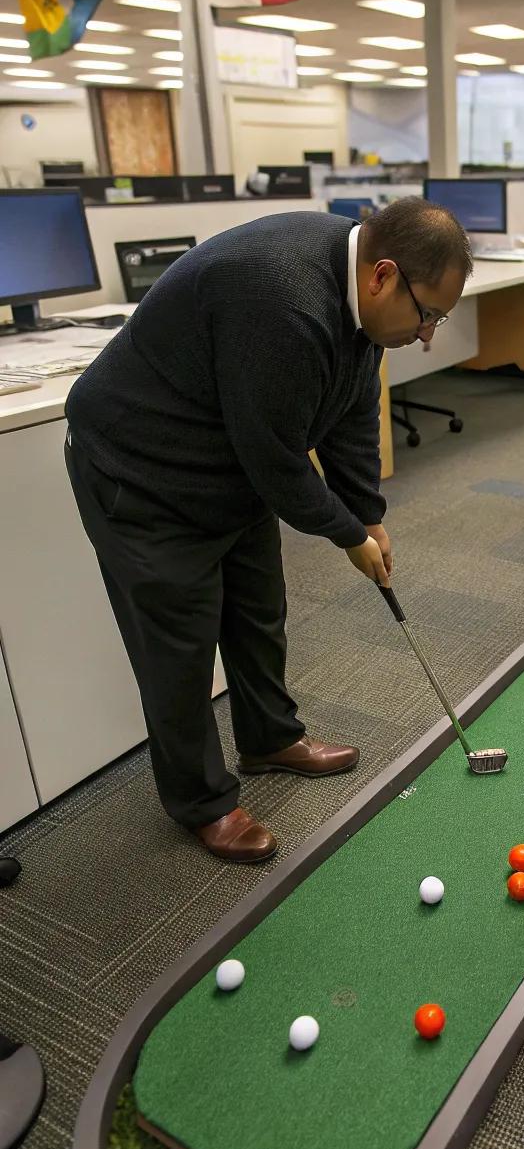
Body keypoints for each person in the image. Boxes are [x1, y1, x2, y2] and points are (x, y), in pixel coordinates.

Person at [64, 198, 472, 864]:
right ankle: (203, 802)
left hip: (225, 461)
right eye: (427, 314)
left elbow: (349, 410)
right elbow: (278, 461)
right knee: (181, 646)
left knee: (258, 610)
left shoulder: (356, 298)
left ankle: (268, 738)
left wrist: (367, 512)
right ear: (382, 277)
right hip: (142, 470)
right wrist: (346, 534)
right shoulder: (284, 304)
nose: (428, 333)